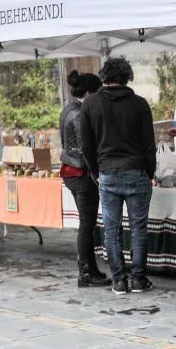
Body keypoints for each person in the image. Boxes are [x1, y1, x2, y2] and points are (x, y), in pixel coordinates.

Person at [80, 57, 157, 295]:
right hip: (136, 171)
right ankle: (138, 279)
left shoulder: (90, 104)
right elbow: (149, 145)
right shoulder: (140, 104)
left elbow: (86, 145)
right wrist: (150, 172)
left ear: (104, 76)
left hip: (107, 172)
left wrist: (95, 170)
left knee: (111, 230)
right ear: (127, 77)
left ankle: (118, 280)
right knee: (138, 228)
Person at [60, 70, 109, 288]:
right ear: (89, 93)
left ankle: (89, 270)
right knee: (87, 224)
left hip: (71, 171)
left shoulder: (68, 109)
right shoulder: (80, 114)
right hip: (81, 173)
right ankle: (86, 272)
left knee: (85, 223)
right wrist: (97, 174)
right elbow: (85, 149)